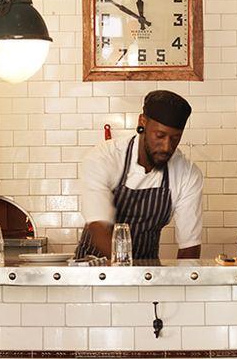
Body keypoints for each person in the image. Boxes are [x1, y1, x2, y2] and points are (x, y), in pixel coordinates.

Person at [75, 90, 202, 261]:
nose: (166, 147)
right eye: (160, 135)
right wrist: (127, 273)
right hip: (95, 273)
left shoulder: (187, 173)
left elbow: (190, 244)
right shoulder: (105, 157)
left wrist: (186, 282)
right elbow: (99, 226)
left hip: (147, 275)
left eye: (175, 138)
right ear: (142, 122)